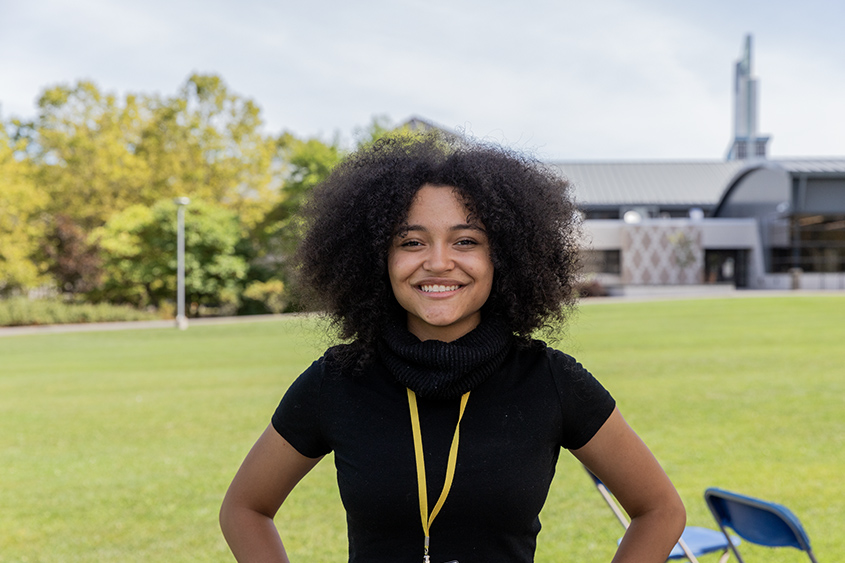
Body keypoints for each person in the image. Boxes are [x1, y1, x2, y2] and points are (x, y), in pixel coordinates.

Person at [220, 134, 686, 562]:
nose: (438, 262)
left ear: (503, 256)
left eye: (466, 241)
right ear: (377, 258)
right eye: (411, 241)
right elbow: (245, 509)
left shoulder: (551, 381)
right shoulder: (338, 380)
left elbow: (660, 510)